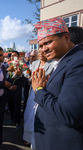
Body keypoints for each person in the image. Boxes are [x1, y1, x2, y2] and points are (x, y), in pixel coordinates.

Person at [32, 17, 83, 149]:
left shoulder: (78, 61)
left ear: (66, 38)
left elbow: (68, 114)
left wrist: (39, 89)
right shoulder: (64, 60)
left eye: (48, 43)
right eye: (41, 45)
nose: (43, 49)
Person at [23, 49, 53, 149]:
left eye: (42, 50)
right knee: (29, 115)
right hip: (32, 94)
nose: (41, 52)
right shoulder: (35, 63)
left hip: (44, 93)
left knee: (38, 116)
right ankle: (28, 138)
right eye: (39, 50)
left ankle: (37, 141)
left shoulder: (53, 63)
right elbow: (30, 76)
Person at [7, 50, 26, 130]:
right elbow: (4, 77)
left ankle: (17, 121)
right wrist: (7, 71)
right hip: (9, 88)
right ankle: (12, 118)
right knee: (10, 104)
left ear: (18, 57)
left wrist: (20, 75)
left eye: (15, 55)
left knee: (17, 105)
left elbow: (26, 78)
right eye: (12, 55)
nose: (13, 57)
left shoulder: (23, 65)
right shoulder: (7, 65)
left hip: (17, 88)